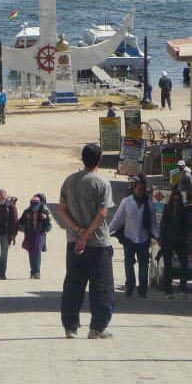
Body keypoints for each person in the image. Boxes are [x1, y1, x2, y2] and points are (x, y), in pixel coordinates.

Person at [59, 143, 116, 340]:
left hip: (73, 243)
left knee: (73, 285)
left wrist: (78, 232)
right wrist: (87, 235)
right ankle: (98, 327)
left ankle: (70, 327)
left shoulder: (70, 181)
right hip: (98, 243)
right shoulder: (102, 182)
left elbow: (62, 210)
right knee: (101, 286)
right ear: (99, 160)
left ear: (82, 159)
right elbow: (102, 214)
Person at [108, 174, 160, 298]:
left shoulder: (150, 204)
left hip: (143, 240)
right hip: (129, 239)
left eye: (143, 189)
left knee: (143, 267)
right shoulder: (126, 202)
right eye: (139, 188)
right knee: (128, 264)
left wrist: (158, 237)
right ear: (134, 189)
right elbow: (118, 219)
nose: (141, 191)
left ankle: (142, 290)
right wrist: (107, 232)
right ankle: (130, 288)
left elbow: (153, 224)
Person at [158, 190, 189, 299]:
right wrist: (161, 239)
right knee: (167, 267)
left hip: (180, 241)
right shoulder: (167, 209)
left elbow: (187, 226)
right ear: (171, 200)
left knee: (184, 266)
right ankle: (168, 291)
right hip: (168, 240)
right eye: (174, 200)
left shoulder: (184, 211)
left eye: (178, 200)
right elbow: (163, 225)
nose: (176, 202)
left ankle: (183, 288)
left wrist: (187, 238)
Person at [19, 194, 53, 279]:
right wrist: (26, 218)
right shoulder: (27, 212)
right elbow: (20, 222)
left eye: (36, 205)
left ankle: (37, 272)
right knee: (31, 253)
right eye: (33, 205)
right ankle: (32, 272)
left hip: (40, 234)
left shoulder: (44, 212)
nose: (34, 207)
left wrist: (45, 219)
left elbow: (49, 225)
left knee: (37, 252)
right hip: (30, 234)